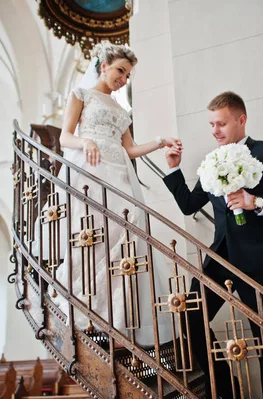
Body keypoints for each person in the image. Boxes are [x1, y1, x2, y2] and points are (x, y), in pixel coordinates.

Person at [164, 91, 263, 398]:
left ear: (241, 120)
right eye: (212, 124)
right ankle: (227, 391)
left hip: (259, 258)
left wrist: (256, 202)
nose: (215, 131)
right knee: (191, 317)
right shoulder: (211, 161)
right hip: (221, 257)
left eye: (222, 123)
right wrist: (174, 168)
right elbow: (189, 204)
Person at [48, 41, 181, 346]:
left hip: (118, 173)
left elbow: (131, 149)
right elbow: (65, 137)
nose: (124, 79)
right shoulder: (81, 95)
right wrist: (86, 143)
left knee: (123, 236)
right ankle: (81, 305)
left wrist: (161, 141)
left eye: (128, 75)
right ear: (104, 65)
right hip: (89, 169)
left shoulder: (121, 109)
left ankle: (115, 318)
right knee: (91, 235)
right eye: (121, 70)